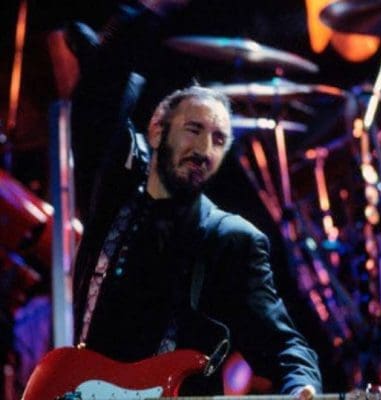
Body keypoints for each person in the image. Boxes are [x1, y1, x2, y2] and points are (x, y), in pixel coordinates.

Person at [69, 1, 323, 397]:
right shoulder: (111, 199)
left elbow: (285, 347)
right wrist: (145, 13)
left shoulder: (231, 239)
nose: (205, 149)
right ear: (156, 131)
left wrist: (301, 385)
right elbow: (99, 99)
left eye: (219, 140)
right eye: (194, 129)